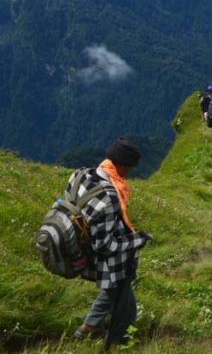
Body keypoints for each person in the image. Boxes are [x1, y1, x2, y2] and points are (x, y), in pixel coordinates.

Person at [71, 138, 154, 347]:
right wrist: (137, 240)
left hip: (84, 244)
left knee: (115, 291)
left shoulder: (82, 175)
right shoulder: (108, 197)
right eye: (130, 167)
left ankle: (90, 327)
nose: (130, 172)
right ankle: (116, 342)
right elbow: (106, 246)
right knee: (125, 304)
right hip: (107, 258)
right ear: (122, 165)